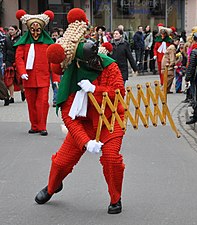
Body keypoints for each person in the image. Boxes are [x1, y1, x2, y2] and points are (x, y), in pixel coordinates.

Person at [34, 8, 126, 214]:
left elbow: (119, 92)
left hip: (109, 120)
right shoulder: (69, 81)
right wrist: (86, 141)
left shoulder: (108, 66)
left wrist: (96, 89)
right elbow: (69, 117)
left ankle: (115, 198)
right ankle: (52, 187)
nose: (94, 63)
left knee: (111, 159)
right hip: (84, 124)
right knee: (61, 162)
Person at [14, 9, 56, 136]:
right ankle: (34, 125)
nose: (35, 33)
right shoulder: (24, 44)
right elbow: (18, 58)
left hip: (43, 78)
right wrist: (22, 72)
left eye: (38, 30)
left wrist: (55, 78)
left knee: (43, 103)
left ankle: (43, 127)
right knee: (31, 103)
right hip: (28, 78)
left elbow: (53, 62)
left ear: (42, 30)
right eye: (33, 30)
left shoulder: (47, 44)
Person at [2, 25, 23, 105]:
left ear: (16, 30)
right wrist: (4, 61)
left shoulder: (20, 39)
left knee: (19, 79)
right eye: (9, 29)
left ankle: (22, 91)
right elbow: (4, 50)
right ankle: (12, 96)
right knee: (9, 78)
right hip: (8, 60)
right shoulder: (6, 39)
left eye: (12, 29)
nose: (10, 31)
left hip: (17, 60)